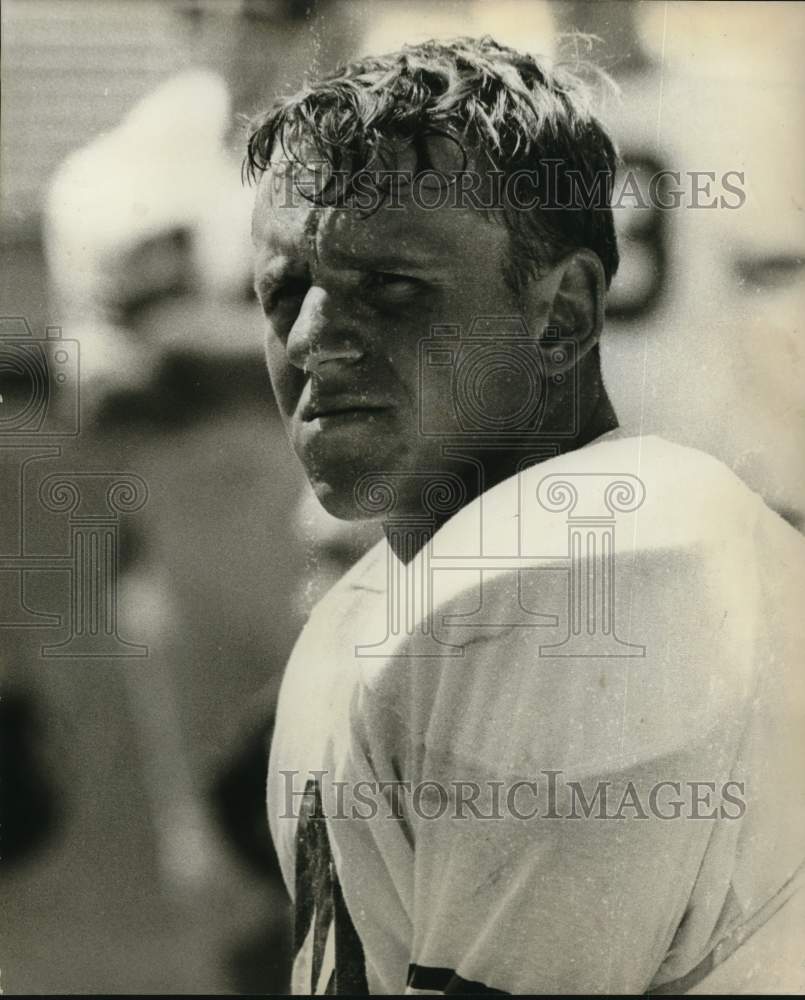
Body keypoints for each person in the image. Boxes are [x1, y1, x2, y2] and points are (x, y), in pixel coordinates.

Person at [246, 37, 805, 994]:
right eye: (285, 290)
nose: (310, 341)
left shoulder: (607, 561)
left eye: (389, 288)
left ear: (563, 313)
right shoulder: (360, 613)